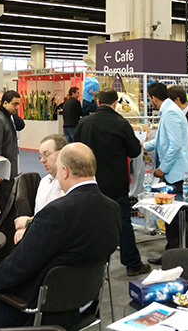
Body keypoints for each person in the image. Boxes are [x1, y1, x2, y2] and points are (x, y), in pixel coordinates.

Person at [0, 143, 121, 330]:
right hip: (85, 302)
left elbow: (18, 266)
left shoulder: (57, 212)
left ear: (65, 171)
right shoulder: (113, 209)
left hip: (41, 309)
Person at [74, 88, 150, 277]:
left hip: (89, 180)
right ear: (115, 103)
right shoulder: (121, 123)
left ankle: (90, 268)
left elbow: (75, 149)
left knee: (90, 223)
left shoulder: (84, 123)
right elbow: (135, 151)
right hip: (116, 182)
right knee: (123, 223)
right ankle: (132, 264)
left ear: (98, 102)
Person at [143, 82, 188, 253]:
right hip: (176, 172)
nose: (150, 102)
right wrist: (145, 146)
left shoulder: (171, 113)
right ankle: (173, 252)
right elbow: (162, 139)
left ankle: (174, 254)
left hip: (177, 173)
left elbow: (175, 145)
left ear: (153, 98)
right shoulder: (169, 110)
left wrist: (163, 168)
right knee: (171, 216)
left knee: (174, 217)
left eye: (149, 99)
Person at [13, 134, 66, 244]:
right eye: (40, 156)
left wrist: (28, 223)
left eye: (46, 155)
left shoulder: (69, 184)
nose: (42, 160)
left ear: (62, 153)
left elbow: (59, 220)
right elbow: (39, 215)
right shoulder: (44, 182)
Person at [0, 90, 21, 180]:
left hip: (8, 170)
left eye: (18, 104)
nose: (17, 107)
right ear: (5, 103)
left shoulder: (7, 116)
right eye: (14, 104)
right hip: (2, 174)